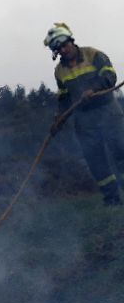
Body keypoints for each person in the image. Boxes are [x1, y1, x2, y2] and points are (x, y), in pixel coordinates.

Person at [45, 22, 124, 205]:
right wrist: (59, 119)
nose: (63, 50)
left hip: (108, 113)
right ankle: (112, 200)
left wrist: (93, 89)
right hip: (84, 122)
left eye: (65, 44)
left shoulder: (94, 54)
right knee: (96, 161)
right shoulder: (59, 71)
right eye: (59, 49)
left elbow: (110, 76)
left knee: (121, 152)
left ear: (71, 40)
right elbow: (64, 99)